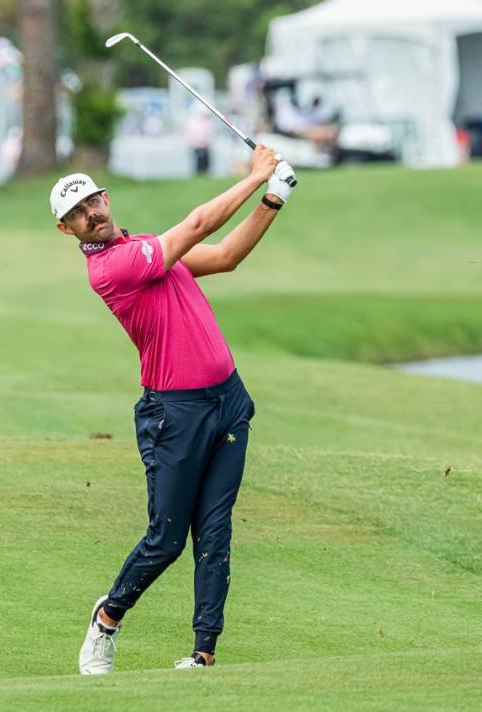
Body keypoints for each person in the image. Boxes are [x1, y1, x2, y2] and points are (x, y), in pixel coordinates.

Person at [50, 146, 295, 674]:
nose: (91, 212)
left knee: (214, 532)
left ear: (105, 198)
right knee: (165, 540)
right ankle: (107, 620)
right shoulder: (113, 267)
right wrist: (255, 176)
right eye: (77, 213)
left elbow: (227, 255)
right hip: (174, 414)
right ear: (67, 229)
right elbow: (200, 223)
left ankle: (203, 653)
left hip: (227, 401)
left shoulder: (145, 247)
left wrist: (274, 198)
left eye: (93, 200)